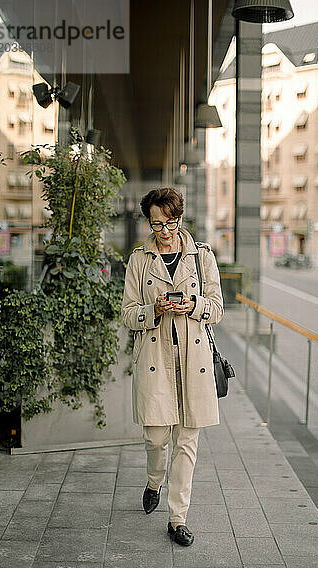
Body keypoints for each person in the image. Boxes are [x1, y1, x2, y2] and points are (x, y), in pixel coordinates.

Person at [121, 187, 224, 547]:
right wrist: (155, 310)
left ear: (180, 217)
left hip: (193, 361)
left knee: (187, 441)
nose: (164, 231)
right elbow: (128, 314)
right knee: (156, 437)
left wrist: (193, 304)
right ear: (148, 221)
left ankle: (177, 518)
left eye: (170, 222)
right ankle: (153, 480)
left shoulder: (202, 257)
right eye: (156, 223)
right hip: (154, 360)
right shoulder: (139, 259)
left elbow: (217, 307)